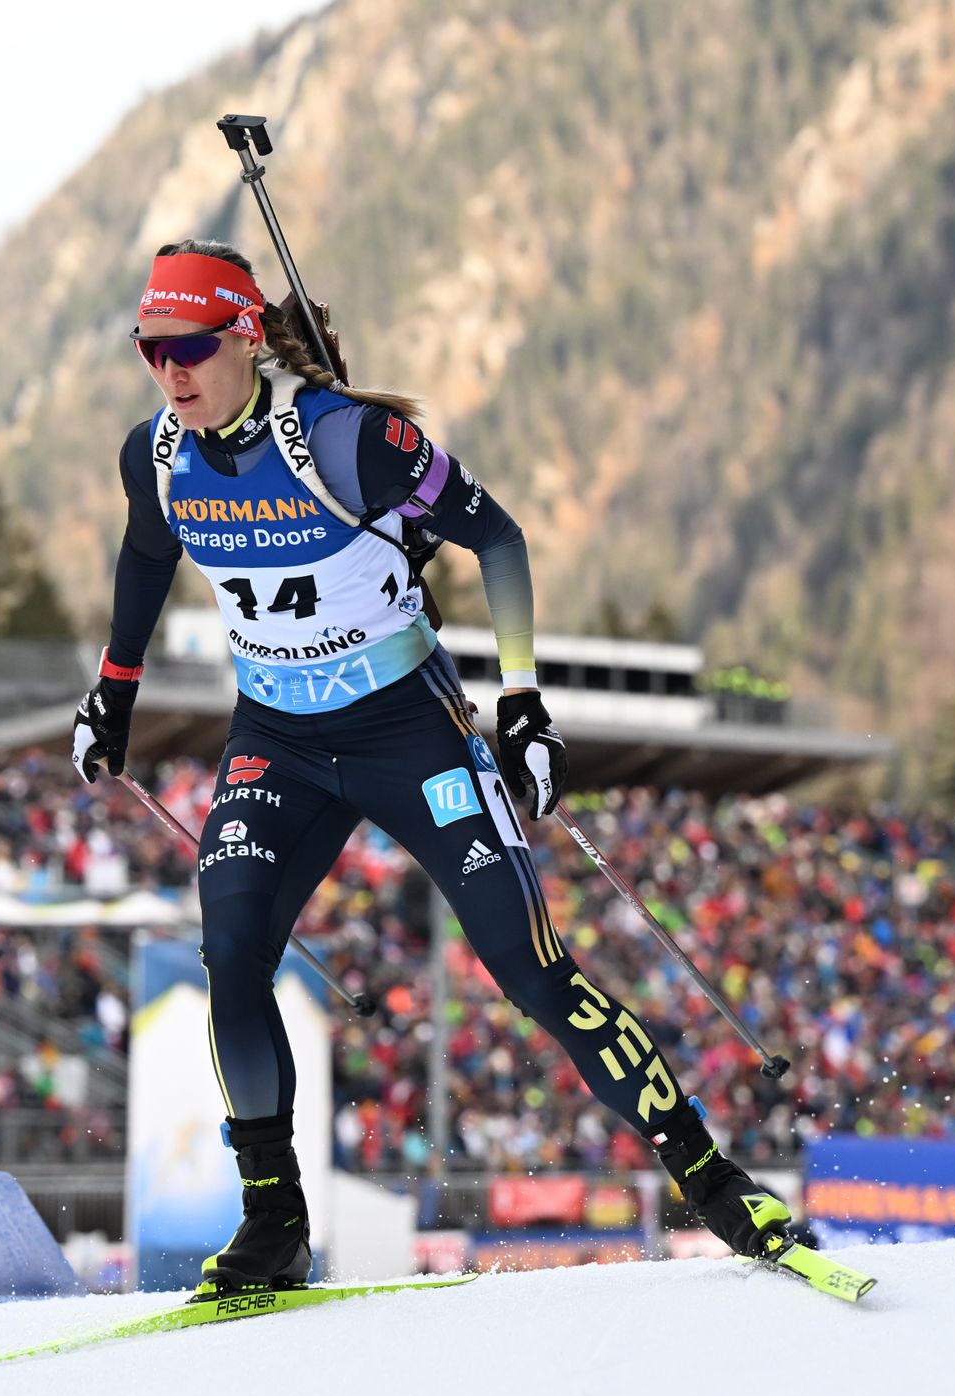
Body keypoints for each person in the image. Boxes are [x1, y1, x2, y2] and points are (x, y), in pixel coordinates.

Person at [72, 239, 796, 1295]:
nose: (168, 373)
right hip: (275, 739)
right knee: (229, 950)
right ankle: (272, 1220)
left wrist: (523, 700)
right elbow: (145, 554)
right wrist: (115, 689)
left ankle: (710, 1179)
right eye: (149, 352)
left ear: (241, 336)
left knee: (527, 968)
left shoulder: (350, 441)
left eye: (186, 347)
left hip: (403, 733)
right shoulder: (157, 456)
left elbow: (494, 538)